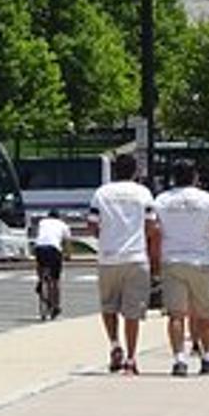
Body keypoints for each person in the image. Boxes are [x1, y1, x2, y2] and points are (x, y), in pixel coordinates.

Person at [152, 159, 209, 376]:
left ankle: (180, 358)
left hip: (172, 261)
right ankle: (207, 354)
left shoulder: (161, 201)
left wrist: (154, 262)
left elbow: (154, 232)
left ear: (172, 177)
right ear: (195, 177)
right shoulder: (206, 200)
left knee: (176, 315)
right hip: (201, 262)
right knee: (205, 313)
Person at [88, 150, 159, 375]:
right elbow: (151, 225)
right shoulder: (143, 193)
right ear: (135, 172)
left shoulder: (101, 193)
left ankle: (114, 344)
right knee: (132, 311)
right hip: (136, 257)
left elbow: (92, 224)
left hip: (108, 257)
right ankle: (131, 357)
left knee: (108, 306)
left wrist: (106, 236)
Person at [32, 209, 69, 321]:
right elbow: (67, 242)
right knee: (55, 280)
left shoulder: (42, 222)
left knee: (40, 263)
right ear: (58, 217)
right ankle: (56, 306)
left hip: (39, 248)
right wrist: (68, 254)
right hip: (54, 249)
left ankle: (40, 280)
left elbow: (38, 235)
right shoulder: (63, 225)